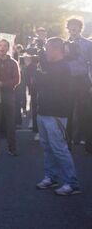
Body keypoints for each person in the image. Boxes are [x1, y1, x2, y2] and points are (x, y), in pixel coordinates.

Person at [34, 37, 81, 195]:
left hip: (56, 114)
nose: (45, 51)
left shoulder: (63, 68)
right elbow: (36, 85)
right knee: (47, 148)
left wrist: (40, 77)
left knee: (59, 149)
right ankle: (51, 177)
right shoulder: (49, 65)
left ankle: (72, 183)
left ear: (56, 50)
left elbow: (44, 83)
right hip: (43, 112)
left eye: (47, 48)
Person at [64, 17, 92, 153]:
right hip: (68, 81)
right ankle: (67, 143)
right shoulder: (63, 44)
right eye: (71, 26)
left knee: (86, 113)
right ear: (67, 28)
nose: (73, 28)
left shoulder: (88, 44)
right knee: (67, 112)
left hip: (83, 81)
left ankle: (89, 145)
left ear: (81, 28)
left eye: (76, 26)